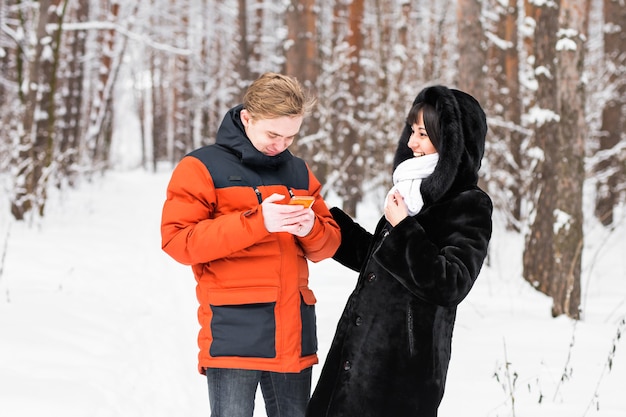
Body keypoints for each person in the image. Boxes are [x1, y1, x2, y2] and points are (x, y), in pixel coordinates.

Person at [160, 72, 341, 417]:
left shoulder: (299, 172)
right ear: (247, 118)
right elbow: (177, 241)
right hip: (234, 331)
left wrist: (310, 228)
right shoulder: (200, 167)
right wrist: (258, 223)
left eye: (290, 136)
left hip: (293, 335)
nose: (281, 145)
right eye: (272, 134)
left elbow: (327, 247)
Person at [306, 85, 493, 417]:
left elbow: (450, 283)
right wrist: (327, 222)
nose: (411, 143)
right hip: (357, 358)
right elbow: (379, 260)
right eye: (412, 130)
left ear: (451, 142)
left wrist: (404, 227)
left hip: (401, 377)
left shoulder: (469, 203)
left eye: (423, 133)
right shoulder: (413, 191)